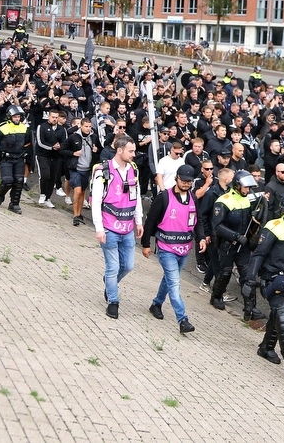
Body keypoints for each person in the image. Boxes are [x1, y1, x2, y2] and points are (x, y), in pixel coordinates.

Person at [244, 192, 284, 377]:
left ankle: (265, 348)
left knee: (277, 314)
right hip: (272, 279)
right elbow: (259, 254)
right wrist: (249, 280)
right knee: (283, 317)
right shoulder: (273, 227)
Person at [142, 164, 204, 334]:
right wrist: (146, 244)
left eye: (189, 181)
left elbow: (197, 221)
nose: (186, 184)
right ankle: (182, 319)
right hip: (166, 248)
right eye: (183, 180)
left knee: (169, 279)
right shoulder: (164, 197)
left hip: (185, 249)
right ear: (177, 178)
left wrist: (202, 238)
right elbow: (150, 222)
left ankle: (156, 304)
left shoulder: (193, 197)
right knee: (175, 282)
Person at [91, 133, 144, 319]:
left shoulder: (133, 170)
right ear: (119, 150)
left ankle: (110, 282)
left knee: (128, 266)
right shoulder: (103, 171)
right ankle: (113, 301)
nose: (134, 154)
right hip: (109, 227)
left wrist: (139, 220)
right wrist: (99, 228)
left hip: (127, 226)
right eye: (131, 151)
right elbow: (96, 201)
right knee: (112, 266)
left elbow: (135, 196)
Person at [209, 169, 265, 321]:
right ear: (237, 185)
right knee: (225, 272)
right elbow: (217, 225)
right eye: (245, 187)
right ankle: (216, 296)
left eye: (249, 188)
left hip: (244, 244)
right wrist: (235, 236)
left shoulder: (246, 199)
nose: (248, 190)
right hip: (228, 244)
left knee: (247, 276)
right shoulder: (223, 201)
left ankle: (250, 308)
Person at [0, 104, 31, 214]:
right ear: (9, 117)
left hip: (19, 158)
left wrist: (29, 159)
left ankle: (14, 204)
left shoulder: (24, 128)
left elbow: (29, 144)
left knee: (19, 181)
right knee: (7, 181)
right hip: (6, 158)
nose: (17, 119)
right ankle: (0, 194)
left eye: (19, 117)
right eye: (15, 117)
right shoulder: (2, 127)